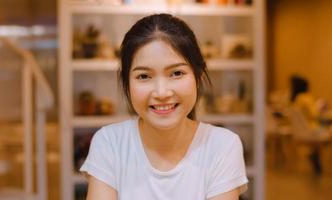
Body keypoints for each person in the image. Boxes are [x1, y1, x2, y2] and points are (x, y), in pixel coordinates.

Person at [80, 13, 248, 200]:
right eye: (144, 76)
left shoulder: (222, 145)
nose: (161, 92)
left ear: (198, 78)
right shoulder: (110, 143)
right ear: (127, 83)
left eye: (176, 73)